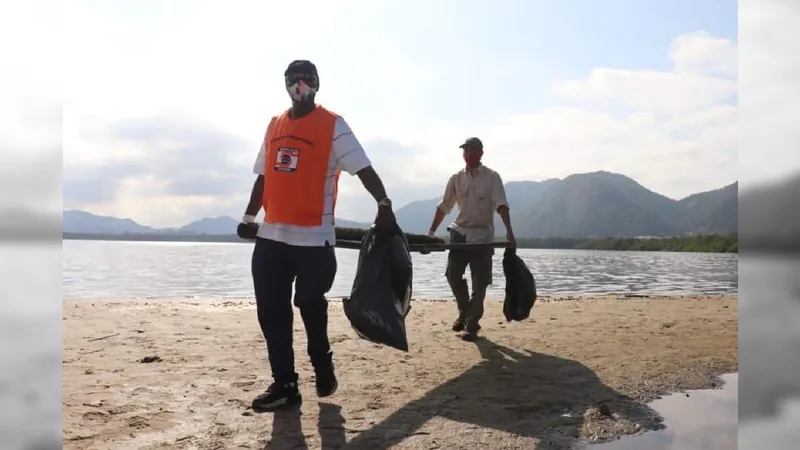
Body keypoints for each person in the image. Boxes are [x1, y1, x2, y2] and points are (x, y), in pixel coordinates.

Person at [238, 60, 396, 412]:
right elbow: (264, 177)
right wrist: (250, 216)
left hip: (314, 239)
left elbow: (364, 168)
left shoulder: (333, 125)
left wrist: (383, 203)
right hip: (272, 237)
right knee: (272, 312)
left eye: (306, 79)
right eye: (294, 80)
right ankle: (286, 384)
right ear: (286, 85)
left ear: (317, 84)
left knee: (309, 302)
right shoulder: (274, 125)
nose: (300, 85)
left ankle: (321, 361)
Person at [426, 137, 515, 341]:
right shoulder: (456, 178)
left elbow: (501, 204)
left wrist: (509, 231)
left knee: (480, 282)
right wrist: (431, 232)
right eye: (465, 151)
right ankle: (465, 312)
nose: (468, 154)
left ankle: (471, 324)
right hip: (459, 232)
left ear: (481, 153)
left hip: (483, 236)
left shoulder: (492, 177)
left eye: (472, 150)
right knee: (452, 275)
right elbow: (444, 207)